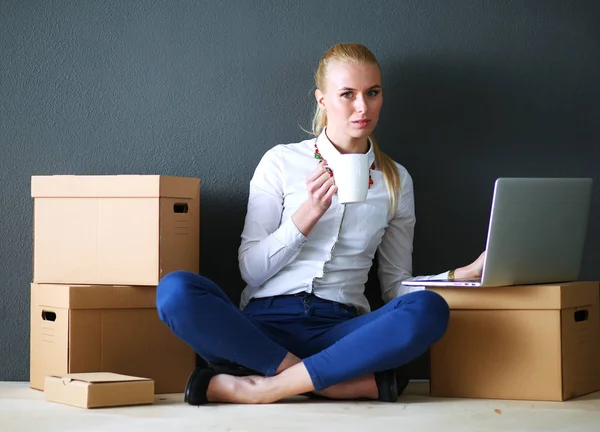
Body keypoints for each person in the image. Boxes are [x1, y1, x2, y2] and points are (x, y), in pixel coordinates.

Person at [156, 43, 485, 405]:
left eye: (372, 93)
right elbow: (251, 270)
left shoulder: (396, 180)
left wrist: (456, 277)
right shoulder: (281, 161)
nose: (363, 107)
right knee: (176, 290)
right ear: (322, 100)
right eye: (348, 94)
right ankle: (329, 382)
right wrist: (307, 215)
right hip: (262, 327)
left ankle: (266, 387)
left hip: (339, 331)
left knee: (429, 310)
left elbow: (394, 288)